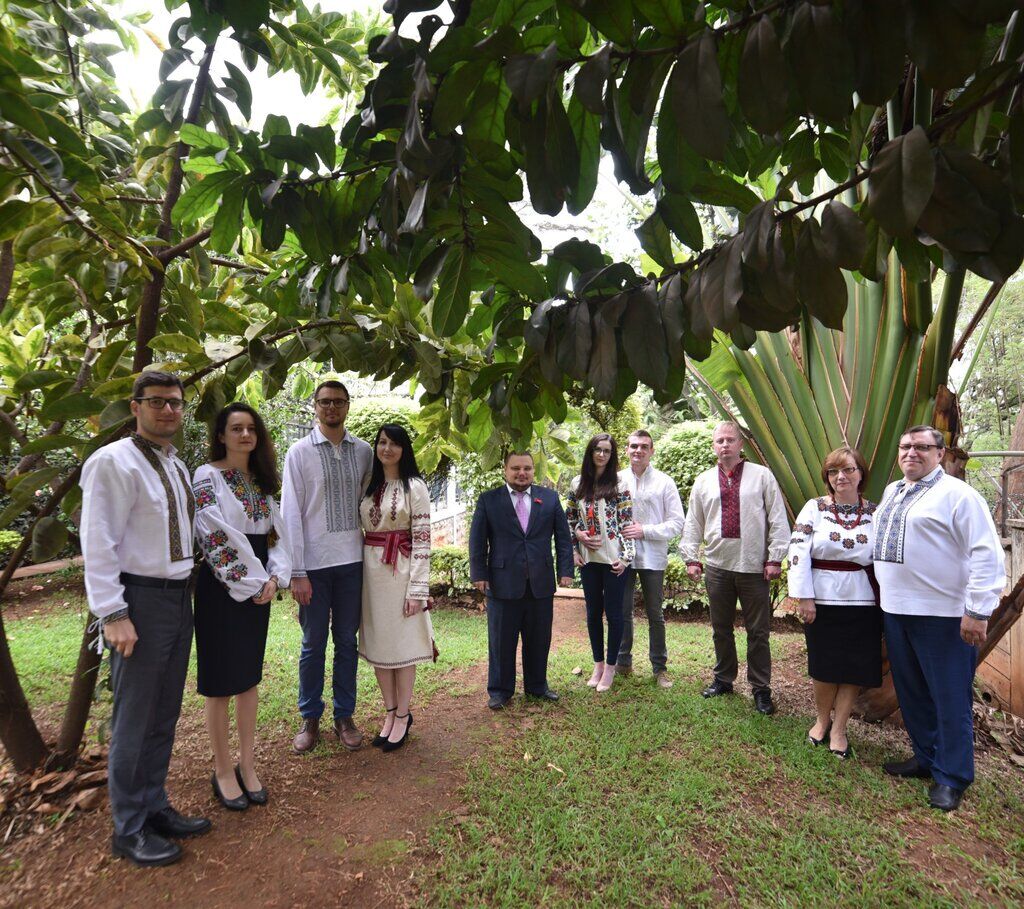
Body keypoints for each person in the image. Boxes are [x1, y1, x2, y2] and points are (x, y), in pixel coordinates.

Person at [80, 372, 210, 867]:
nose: (169, 411)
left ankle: (154, 806)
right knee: (134, 717)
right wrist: (113, 613)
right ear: (135, 407)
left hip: (179, 600)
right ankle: (128, 827)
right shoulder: (113, 462)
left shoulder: (176, 466)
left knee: (163, 713)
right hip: (139, 602)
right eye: (157, 402)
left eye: (175, 403)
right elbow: (98, 541)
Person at [874, 426, 1005, 812]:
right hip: (896, 610)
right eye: (905, 447)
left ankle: (952, 776)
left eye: (921, 447)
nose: (911, 453)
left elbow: (986, 553)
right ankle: (926, 757)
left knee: (949, 697)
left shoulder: (959, 496)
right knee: (912, 691)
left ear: (940, 452)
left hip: (943, 616)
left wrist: (978, 610)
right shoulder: (893, 491)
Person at [192, 403, 292, 809]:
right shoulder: (206, 476)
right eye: (236, 428)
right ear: (221, 434)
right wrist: (253, 580)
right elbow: (212, 531)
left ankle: (248, 765)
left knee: (248, 680)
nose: (245, 435)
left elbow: (278, 535)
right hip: (222, 587)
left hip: (259, 588)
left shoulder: (263, 483)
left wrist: (273, 579)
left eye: (251, 428)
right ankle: (221, 770)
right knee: (219, 684)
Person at [281, 380, 373, 753]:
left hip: (352, 562)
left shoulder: (364, 451)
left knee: (347, 642)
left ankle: (344, 716)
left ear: (348, 406)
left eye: (338, 401)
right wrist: (297, 571)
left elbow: (370, 505)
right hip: (314, 568)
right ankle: (309, 717)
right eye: (324, 402)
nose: (331, 408)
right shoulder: (299, 453)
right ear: (314, 407)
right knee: (312, 643)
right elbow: (290, 513)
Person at [680, 421, 789, 715]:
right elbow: (694, 521)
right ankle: (723, 679)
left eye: (730, 440)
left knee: (758, 631)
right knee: (721, 628)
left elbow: (778, 518)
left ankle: (761, 689)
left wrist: (775, 557)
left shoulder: (762, 476)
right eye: (719, 441)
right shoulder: (703, 481)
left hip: (754, 566)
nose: (724, 445)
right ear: (713, 446)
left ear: (741, 444)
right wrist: (691, 557)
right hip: (717, 565)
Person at [788, 447, 880, 759]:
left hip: (864, 602)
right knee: (824, 667)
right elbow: (798, 552)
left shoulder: (875, 513)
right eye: (833, 472)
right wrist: (805, 596)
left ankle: (839, 728)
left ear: (861, 473)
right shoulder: (814, 509)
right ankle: (821, 720)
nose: (841, 477)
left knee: (853, 668)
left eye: (848, 470)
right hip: (821, 599)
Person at [469, 451, 574, 709]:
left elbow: (562, 538)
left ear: (533, 470)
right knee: (501, 641)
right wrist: (479, 573)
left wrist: (566, 570)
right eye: (515, 468)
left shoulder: (549, 499)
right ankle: (500, 691)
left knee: (539, 639)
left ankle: (537, 687)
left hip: (540, 583)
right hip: (501, 583)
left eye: (527, 468)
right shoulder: (489, 500)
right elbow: (477, 540)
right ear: (505, 470)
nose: (522, 473)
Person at [358, 424, 434, 752]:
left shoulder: (414, 486)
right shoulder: (369, 485)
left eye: (394, 443)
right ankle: (389, 711)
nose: (387, 448)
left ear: (405, 449)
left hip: (401, 573)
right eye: (382, 442)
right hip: (371, 575)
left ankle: (404, 714)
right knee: (379, 645)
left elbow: (422, 539)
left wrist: (417, 589)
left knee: (402, 647)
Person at [566, 434, 636, 693]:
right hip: (588, 560)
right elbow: (570, 520)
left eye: (607, 450)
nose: (601, 455)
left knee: (615, 615)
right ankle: (597, 664)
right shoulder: (577, 483)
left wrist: (627, 558)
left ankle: (610, 667)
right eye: (597, 449)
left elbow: (628, 523)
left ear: (612, 454)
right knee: (593, 614)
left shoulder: (620, 483)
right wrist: (577, 541)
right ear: (590, 452)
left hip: (613, 559)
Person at [617, 430, 686, 688]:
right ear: (626, 449)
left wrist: (644, 530)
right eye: (634, 446)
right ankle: (622, 663)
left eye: (644, 446)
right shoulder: (616, 480)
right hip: (622, 557)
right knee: (622, 611)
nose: (638, 450)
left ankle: (659, 668)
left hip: (653, 558)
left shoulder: (664, 482)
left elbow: (677, 523)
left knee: (655, 613)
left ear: (652, 451)